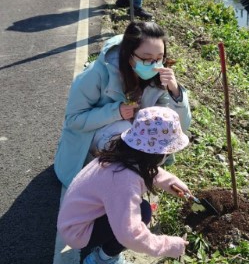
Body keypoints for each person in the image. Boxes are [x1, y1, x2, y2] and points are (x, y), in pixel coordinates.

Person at [57, 106, 191, 264]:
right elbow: (130, 235)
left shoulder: (122, 156)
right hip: (77, 232)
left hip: (76, 218)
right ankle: (101, 261)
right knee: (143, 212)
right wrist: (168, 245)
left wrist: (171, 183)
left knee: (140, 209)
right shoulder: (123, 181)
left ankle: (101, 250)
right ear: (155, 155)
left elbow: (149, 172)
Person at [54, 20, 191, 188]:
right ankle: (123, 186)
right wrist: (115, 112)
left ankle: (132, 179)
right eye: (147, 59)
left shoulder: (160, 77)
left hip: (131, 136)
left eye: (159, 58)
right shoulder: (95, 75)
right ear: (128, 54)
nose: (154, 65)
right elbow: (73, 120)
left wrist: (176, 92)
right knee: (124, 139)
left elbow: (177, 128)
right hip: (93, 138)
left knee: (157, 134)